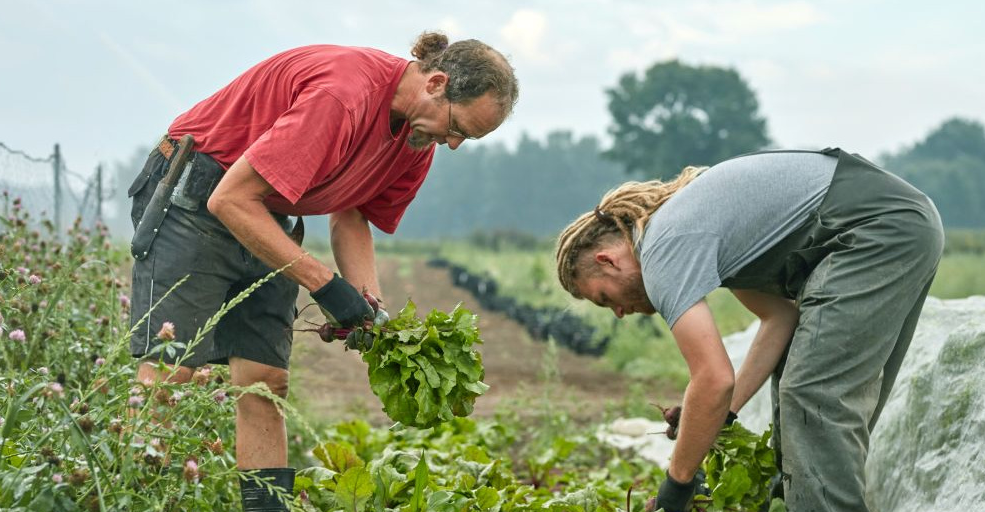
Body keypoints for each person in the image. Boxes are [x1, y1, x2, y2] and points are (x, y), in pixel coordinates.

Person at [125, 32, 518, 510]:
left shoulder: (417, 140)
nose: (453, 144)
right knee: (169, 373)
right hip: (198, 199)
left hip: (264, 211)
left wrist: (367, 306)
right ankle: (133, 498)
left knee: (265, 379)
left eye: (467, 140)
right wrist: (325, 284)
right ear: (436, 82)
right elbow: (228, 198)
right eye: (458, 127)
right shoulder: (343, 96)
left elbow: (352, 215)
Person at [554, 148, 943, 512]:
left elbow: (713, 379)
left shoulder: (661, 248)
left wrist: (677, 487)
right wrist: (718, 417)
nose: (620, 313)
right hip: (901, 222)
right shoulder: (696, 229)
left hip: (876, 229)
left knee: (813, 397)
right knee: (806, 401)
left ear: (607, 261)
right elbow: (780, 320)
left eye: (606, 299)